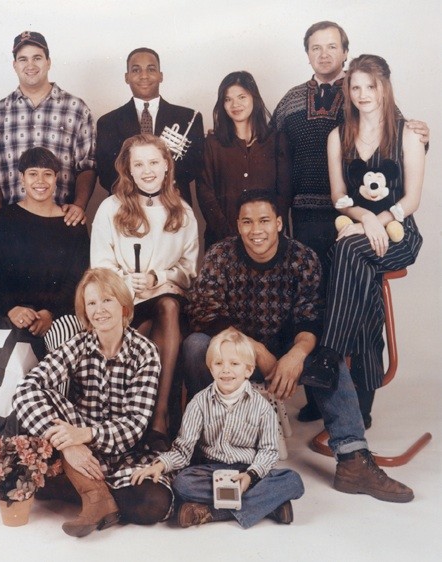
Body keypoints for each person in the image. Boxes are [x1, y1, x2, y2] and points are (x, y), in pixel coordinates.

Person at [182, 189, 414, 503]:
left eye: (264, 220)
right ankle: (207, 448)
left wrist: (297, 354)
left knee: (327, 357)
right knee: (195, 345)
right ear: (238, 225)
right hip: (234, 357)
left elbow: (313, 318)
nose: (256, 230)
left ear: (279, 223)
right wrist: (255, 350)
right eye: (247, 222)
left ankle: (353, 459)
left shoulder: (302, 257)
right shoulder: (221, 255)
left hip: (288, 356)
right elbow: (204, 313)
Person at [271, 21, 429, 422]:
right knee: (314, 302)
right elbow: (273, 151)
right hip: (312, 217)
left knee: (360, 292)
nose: (324, 54)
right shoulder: (291, 102)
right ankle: (322, 400)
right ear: (307, 53)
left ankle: (353, 391)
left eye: (332, 46)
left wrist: (423, 136)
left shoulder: (373, 101)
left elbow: (401, 151)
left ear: (345, 51)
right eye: (316, 47)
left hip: (368, 224)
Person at [12, 268, 173, 537]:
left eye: (107, 300)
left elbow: (134, 425)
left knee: (154, 502)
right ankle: (96, 494)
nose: (100, 310)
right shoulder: (78, 345)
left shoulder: (145, 352)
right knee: (35, 397)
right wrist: (70, 444)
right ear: (85, 312)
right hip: (78, 445)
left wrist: (84, 435)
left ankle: (90, 491)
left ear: (123, 306)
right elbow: (26, 388)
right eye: (92, 303)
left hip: (123, 450)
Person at [132, 327, 304, 529]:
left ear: (248, 370)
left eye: (234, 363)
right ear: (210, 368)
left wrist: (251, 475)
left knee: (293, 481)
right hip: (210, 472)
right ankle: (268, 505)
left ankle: (211, 513)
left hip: (248, 472)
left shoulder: (262, 407)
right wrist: (160, 465)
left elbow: (268, 450)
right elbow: (183, 450)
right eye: (219, 363)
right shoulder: (199, 403)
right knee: (182, 484)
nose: (226, 370)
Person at [91, 134, 199, 450]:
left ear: (167, 165)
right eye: (138, 164)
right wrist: (126, 282)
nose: (147, 170)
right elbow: (100, 266)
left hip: (167, 299)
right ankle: (138, 420)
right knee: (148, 325)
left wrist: (158, 277)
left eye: (153, 162)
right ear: (128, 169)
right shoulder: (110, 208)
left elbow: (189, 269)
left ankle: (160, 416)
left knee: (168, 307)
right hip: (124, 302)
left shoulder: (182, 212)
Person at [0, 31, 95, 226]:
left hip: (62, 221)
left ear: (48, 62)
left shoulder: (76, 109)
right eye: (23, 59)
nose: (30, 65)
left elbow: (87, 166)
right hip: (11, 222)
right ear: (14, 65)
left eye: (37, 58)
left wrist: (79, 206)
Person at [0, 146, 89, 348]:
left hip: (59, 315)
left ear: (56, 178)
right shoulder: (0, 221)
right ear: (22, 178)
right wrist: (12, 309)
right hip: (10, 315)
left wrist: (50, 313)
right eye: (33, 174)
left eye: (47, 174)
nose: (40, 181)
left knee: (65, 342)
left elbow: (78, 280)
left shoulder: (73, 224)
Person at [96, 47, 204, 205]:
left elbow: (194, 167)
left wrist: (163, 190)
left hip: (174, 203)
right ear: (127, 77)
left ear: (161, 76)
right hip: (127, 206)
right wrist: (142, 194)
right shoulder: (107, 122)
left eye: (151, 69)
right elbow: (106, 174)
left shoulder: (189, 118)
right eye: (136, 70)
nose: (144, 75)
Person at [198, 71, 291, 248]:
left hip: (267, 242)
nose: (235, 104)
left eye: (242, 97)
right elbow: (205, 194)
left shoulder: (276, 140)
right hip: (222, 241)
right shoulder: (212, 143)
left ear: (254, 98)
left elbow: (284, 195)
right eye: (228, 99)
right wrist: (230, 236)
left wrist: (266, 233)